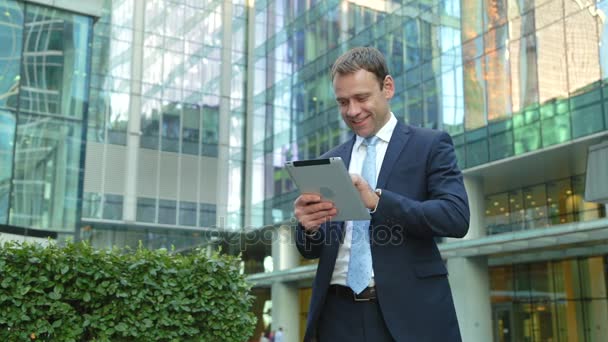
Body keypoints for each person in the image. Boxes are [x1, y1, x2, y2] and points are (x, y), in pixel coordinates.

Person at [293, 47, 470, 341]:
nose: (352, 111)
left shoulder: (430, 145)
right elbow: (311, 249)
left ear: (387, 87)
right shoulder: (330, 160)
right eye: (342, 102)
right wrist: (307, 227)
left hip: (409, 316)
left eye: (362, 98)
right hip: (336, 317)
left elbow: (455, 217)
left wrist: (378, 202)